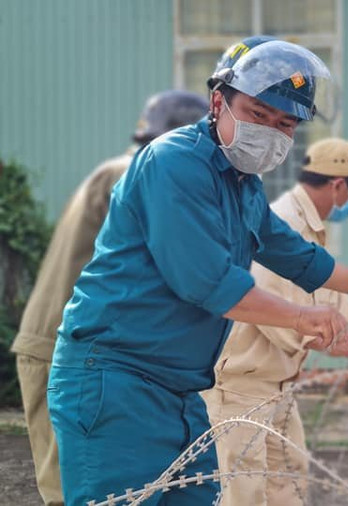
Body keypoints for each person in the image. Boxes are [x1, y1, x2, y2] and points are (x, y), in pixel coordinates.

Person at [48, 39, 348, 505]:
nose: (271, 132)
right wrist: (302, 317)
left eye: (285, 124)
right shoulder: (174, 163)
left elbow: (291, 252)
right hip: (117, 380)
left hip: (181, 389)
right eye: (258, 114)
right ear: (219, 102)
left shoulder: (242, 184)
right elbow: (208, 282)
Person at [205, 136, 348, 505]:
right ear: (339, 185)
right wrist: (316, 339)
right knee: (243, 492)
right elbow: (260, 297)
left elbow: (334, 299)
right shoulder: (282, 221)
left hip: (279, 384)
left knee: (289, 483)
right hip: (242, 386)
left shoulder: (312, 231)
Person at [11, 89, 208, 506]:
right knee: (75, 490)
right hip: (65, 351)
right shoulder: (136, 174)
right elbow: (183, 268)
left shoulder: (123, 170)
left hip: (82, 349)